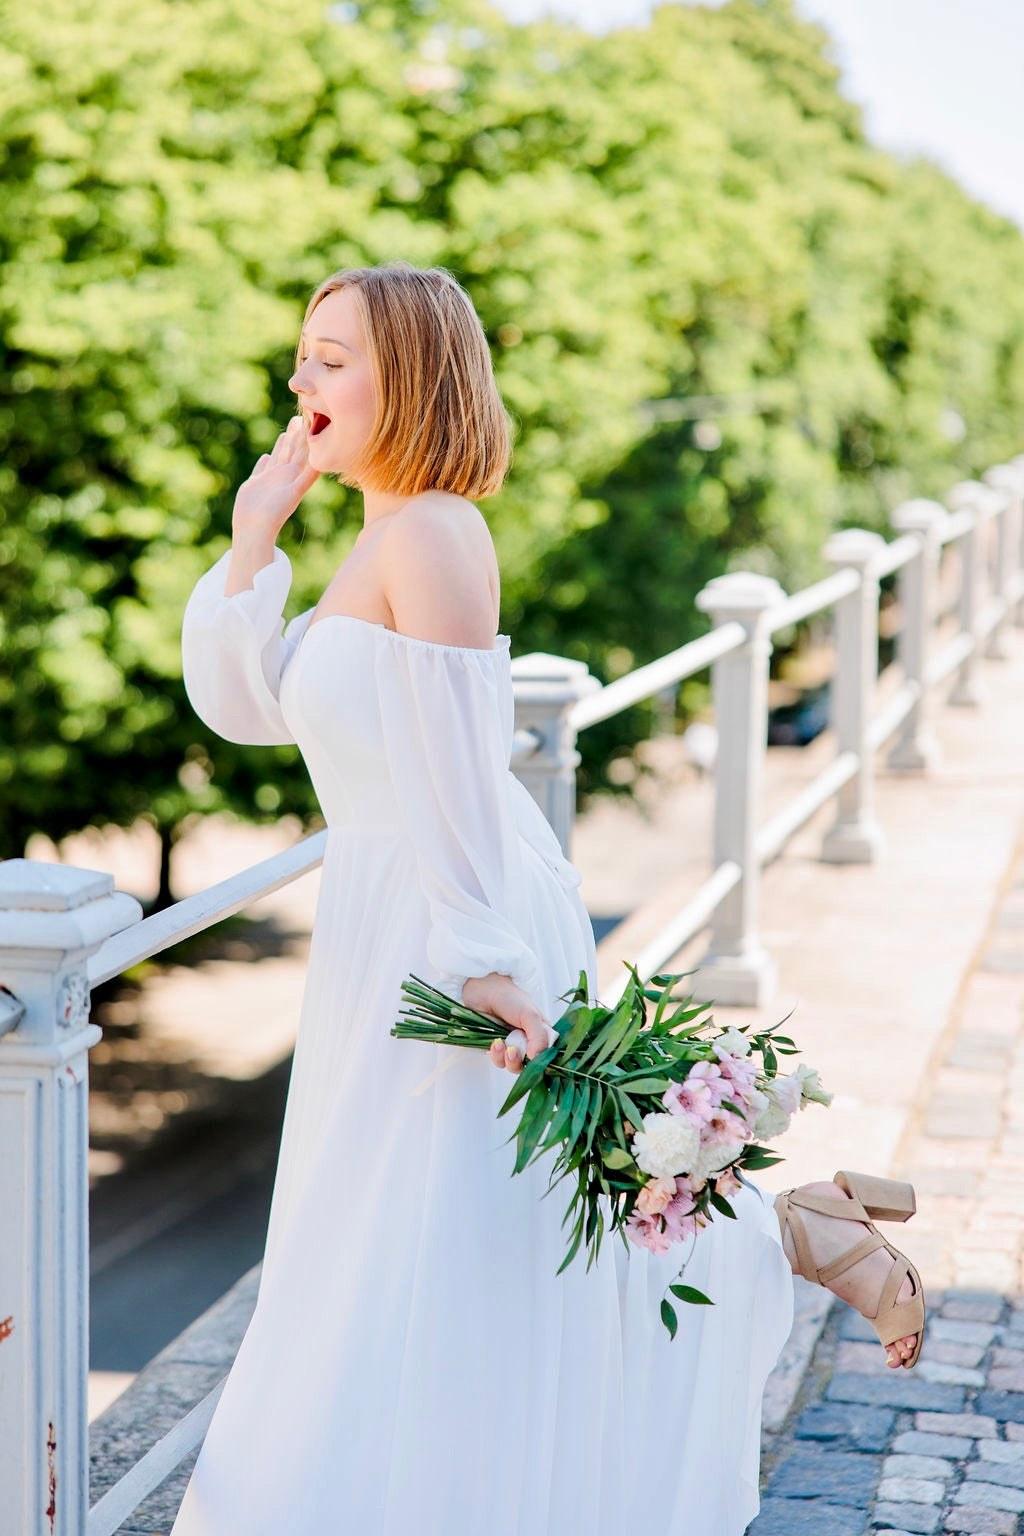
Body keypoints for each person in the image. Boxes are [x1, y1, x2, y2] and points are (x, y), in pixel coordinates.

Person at [170, 262, 923, 1536]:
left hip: (446, 915)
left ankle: (792, 1236)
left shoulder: (434, 532)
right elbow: (249, 712)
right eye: (303, 354)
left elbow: (459, 768)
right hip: (387, 917)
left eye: (332, 357)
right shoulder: (376, 531)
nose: (300, 379)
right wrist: (256, 536)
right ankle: (804, 1229)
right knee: (430, 1238)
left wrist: (481, 957)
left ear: (411, 377)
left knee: (480, 1240)